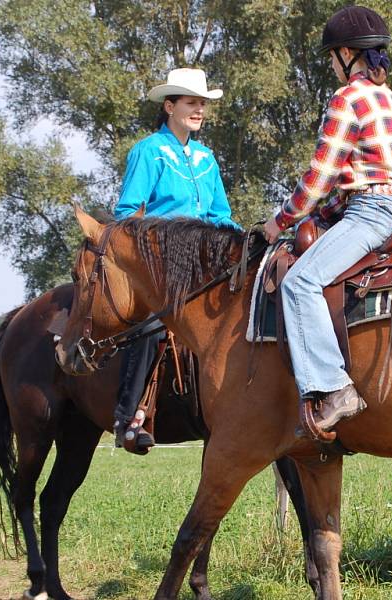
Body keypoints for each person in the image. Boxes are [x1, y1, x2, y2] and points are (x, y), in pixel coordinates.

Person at [263, 6, 392, 434]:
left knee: (300, 283)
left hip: (372, 214)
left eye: (333, 56)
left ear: (348, 53)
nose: (333, 65)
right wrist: (324, 214)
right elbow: (367, 175)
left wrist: (280, 221)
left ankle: (333, 388)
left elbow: (320, 177)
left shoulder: (347, 98)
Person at [113, 67, 239, 453]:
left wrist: (242, 240)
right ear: (170, 106)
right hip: (162, 263)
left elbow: (220, 214)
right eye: (191, 102)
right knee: (152, 326)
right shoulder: (149, 151)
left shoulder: (206, 158)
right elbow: (127, 213)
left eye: (202, 103)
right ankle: (129, 416)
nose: (198, 109)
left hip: (206, 261)